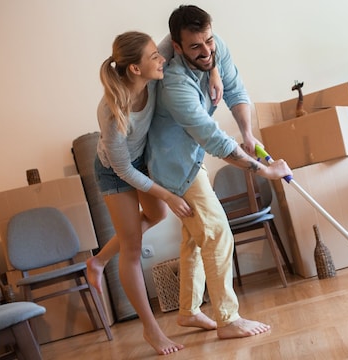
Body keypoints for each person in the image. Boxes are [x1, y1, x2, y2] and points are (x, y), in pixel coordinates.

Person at [147, 4, 293, 340]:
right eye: (195, 47)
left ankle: (188, 311)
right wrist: (266, 172)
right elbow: (214, 140)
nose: (206, 50)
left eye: (209, 41)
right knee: (215, 232)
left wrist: (248, 133)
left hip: (191, 155)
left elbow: (237, 89)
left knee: (195, 239)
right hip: (173, 165)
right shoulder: (174, 83)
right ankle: (227, 320)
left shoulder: (214, 46)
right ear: (177, 46)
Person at [89, 31, 223, 355]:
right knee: (133, 248)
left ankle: (98, 260)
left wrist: (214, 70)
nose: (162, 58)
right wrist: (168, 194)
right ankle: (152, 331)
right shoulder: (111, 111)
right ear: (135, 69)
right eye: (154, 57)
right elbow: (124, 170)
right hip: (115, 172)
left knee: (156, 215)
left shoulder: (152, 64)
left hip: (142, 161)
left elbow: (189, 34)